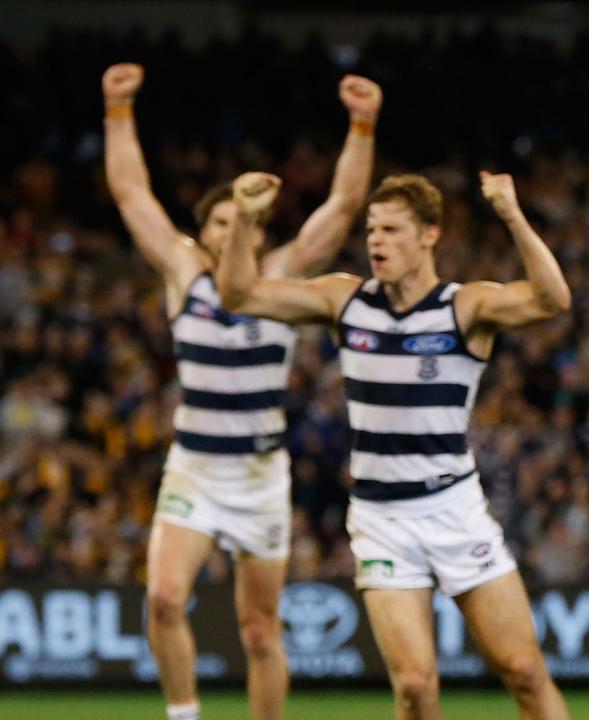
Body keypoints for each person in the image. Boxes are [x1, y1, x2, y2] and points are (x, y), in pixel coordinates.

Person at [215, 170, 572, 720]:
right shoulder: (344, 301)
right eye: (372, 230)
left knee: (524, 672)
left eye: (391, 230)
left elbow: (553, 300)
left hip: (454, 509)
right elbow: (239, 293)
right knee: (413, 686)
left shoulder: (465, 307)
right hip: (382, 518)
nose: (375, 241)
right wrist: (243, 218)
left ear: (429, 235)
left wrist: (511, 215)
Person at [102, 63, 380, 720]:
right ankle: (185, 716)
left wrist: (363, 125)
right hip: (195, 469)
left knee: (260, 631)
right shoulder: (184, 272)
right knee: (165, 600)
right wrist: (117, 110)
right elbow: (130, 191)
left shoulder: (279, 277)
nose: (232, 230)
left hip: (259, 476)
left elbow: (342, 207)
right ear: (205, 234)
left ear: (257, 226)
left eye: (242, 219)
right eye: (221, 222)